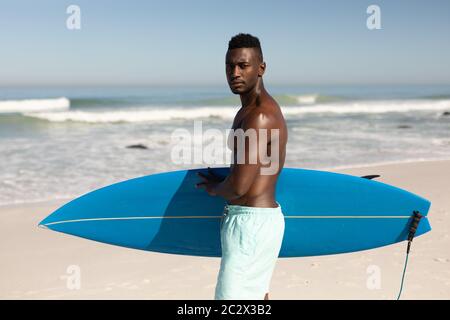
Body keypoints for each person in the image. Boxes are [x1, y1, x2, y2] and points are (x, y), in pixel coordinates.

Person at [196, 33, 287, 300]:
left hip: (251, 225)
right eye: (229, 66)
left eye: (243, 65)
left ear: (261, 68)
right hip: (254, 222)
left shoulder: (259, 115)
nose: (234, 72)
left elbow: (238, 186)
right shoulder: (248, 111)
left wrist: (214, 189)